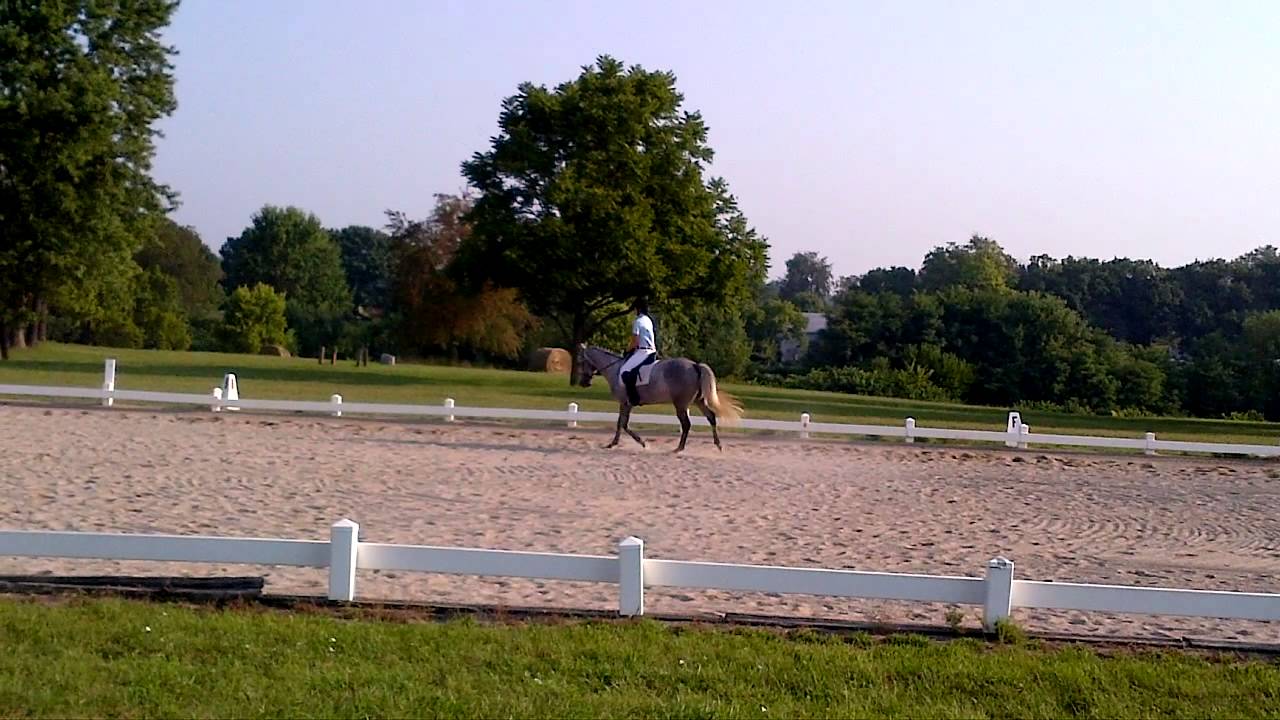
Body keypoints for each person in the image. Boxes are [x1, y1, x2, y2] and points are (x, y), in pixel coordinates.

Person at [620, 298, 657, 405]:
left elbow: (635, 341)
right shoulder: (648, 320)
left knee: (625, 372)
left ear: (638, 309)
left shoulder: (638, 321)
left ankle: (634, 399)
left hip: (643, 352)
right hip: (652, 351)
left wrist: (627, 350)